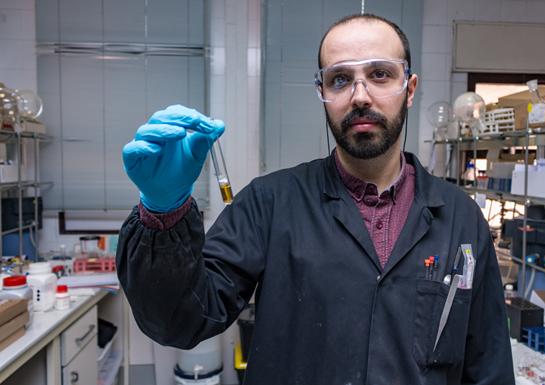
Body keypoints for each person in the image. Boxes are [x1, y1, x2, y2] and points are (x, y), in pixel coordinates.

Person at [118, 13, 514, 385]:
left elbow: (488, 365)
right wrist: (163, 211)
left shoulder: (461, 218)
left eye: (379, 74)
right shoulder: (269, 203)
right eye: (340, 79)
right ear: (321, 92)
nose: (360, 95)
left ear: (408, 89)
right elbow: (182, 321)